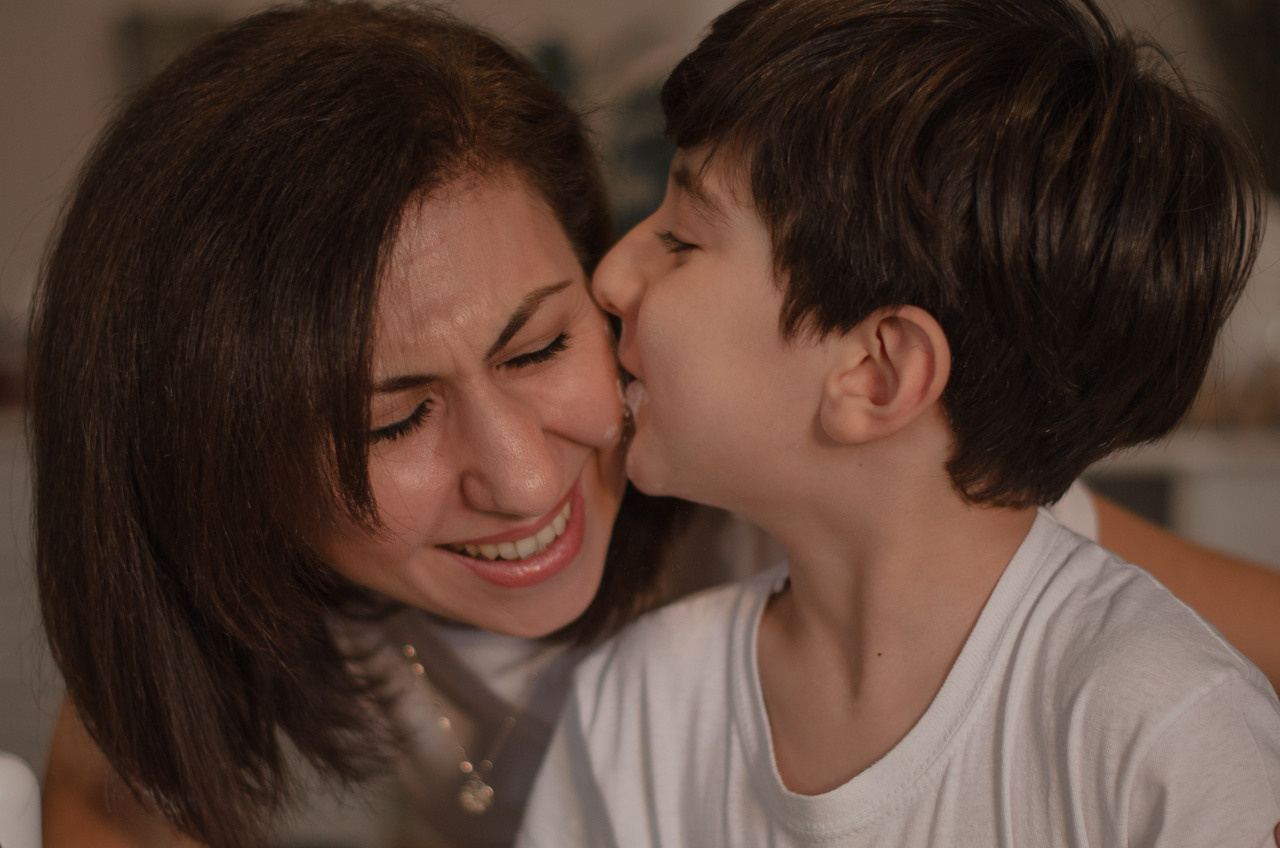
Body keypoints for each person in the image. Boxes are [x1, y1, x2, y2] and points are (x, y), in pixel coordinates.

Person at [29, 2, 1280, 848]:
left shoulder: (901, 507)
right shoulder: (647, 697)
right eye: (394, 420)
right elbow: (105, 785)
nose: (522, 478)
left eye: (540, 343)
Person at [517, 0, 1280, 845]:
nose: (613, 275)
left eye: (682, 239)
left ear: (878, 373)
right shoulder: (638, 707)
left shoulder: (1163, 728)